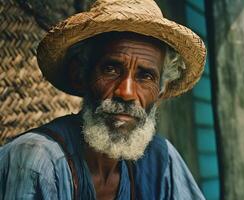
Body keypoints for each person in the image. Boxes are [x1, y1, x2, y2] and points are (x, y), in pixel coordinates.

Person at [0, 0, 207, 199]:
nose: (126, 93)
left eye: (145, 76)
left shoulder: (159, 161)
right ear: (80, 75)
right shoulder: (37, 162)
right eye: (111, 69)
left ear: (160, 92)